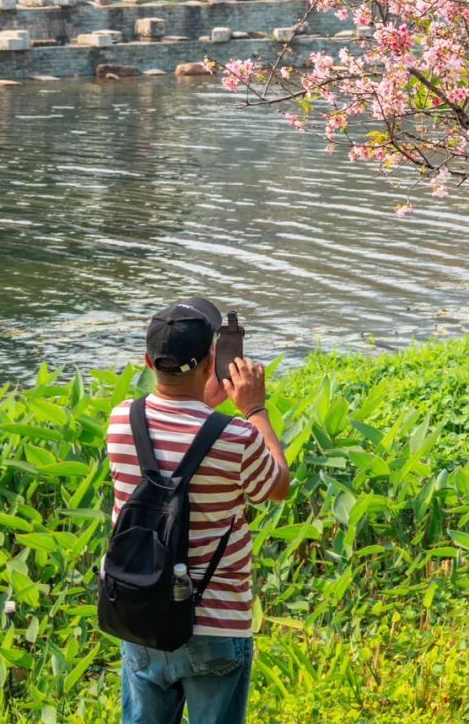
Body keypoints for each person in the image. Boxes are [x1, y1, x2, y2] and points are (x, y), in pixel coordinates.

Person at [105, 297, 291, 724]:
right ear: (212, 359)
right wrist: (255, 409)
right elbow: (277, 485)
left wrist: (202, 396)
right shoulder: (237, 437)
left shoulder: (120, 421)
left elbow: (175, 438)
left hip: (142, 614)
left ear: (148, 360)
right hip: (217, 625)